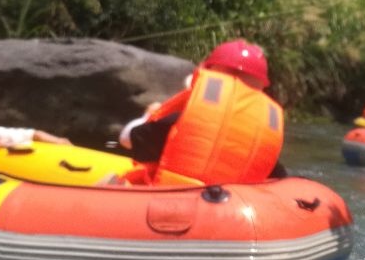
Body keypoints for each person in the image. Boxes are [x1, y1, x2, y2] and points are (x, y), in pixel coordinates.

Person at [120, 39, 285, 185]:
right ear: (260, 88)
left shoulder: (184, 120)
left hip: (172, 206)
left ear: (207, 74)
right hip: (235, 213)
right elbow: (279, 180)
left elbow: (127, 138)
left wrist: (148, 116)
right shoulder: (262, 134)